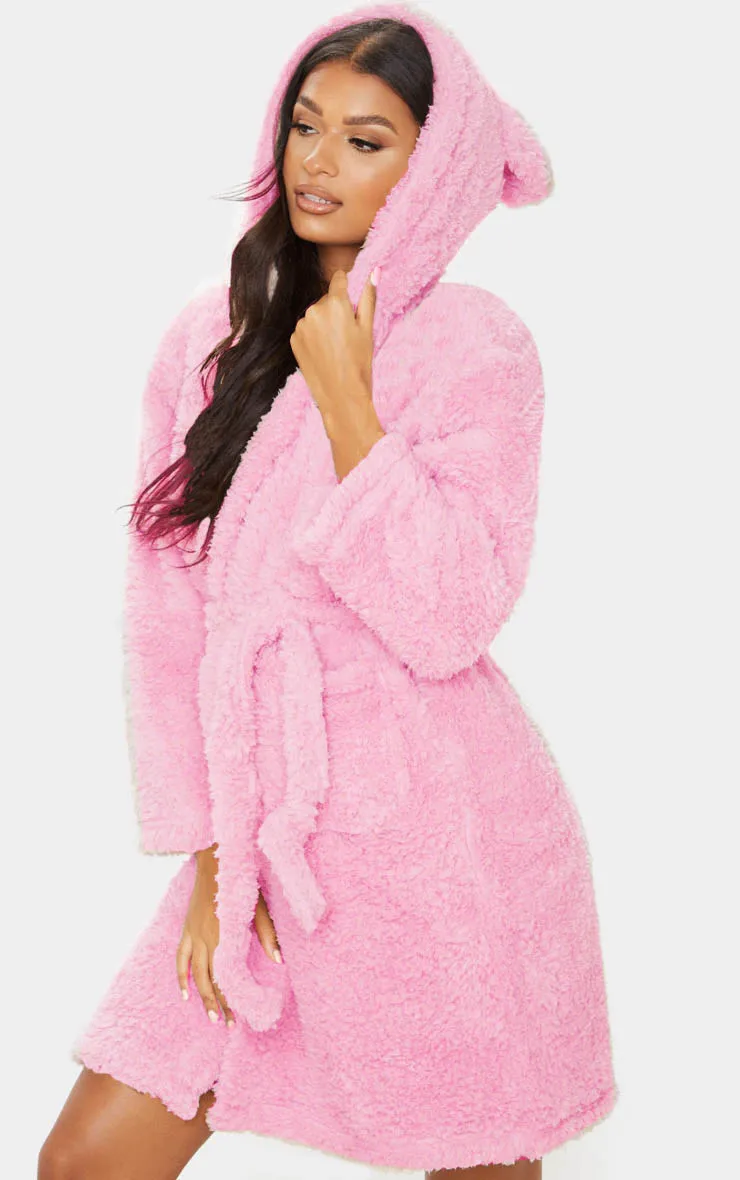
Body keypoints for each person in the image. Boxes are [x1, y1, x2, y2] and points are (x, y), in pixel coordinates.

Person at [40, 4, 618, 1178]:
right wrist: (212, 856)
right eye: (306, 126)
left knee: (476, 1158)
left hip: (433, 829)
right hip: (263, 825)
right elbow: (165, 619)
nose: (319, 161)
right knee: (88, 1158)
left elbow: (452, 612)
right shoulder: (208, 341)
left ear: (431, 168)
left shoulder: (473, 346)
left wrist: (350, 401)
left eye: (366, 140)